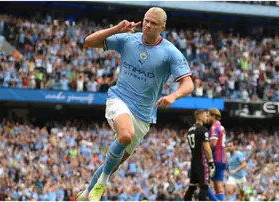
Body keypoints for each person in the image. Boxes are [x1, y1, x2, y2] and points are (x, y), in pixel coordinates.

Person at [78, 7, 194, 201]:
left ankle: (86, 194)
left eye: (153, 23)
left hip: (144, 114)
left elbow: (188, 83)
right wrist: (115, 29)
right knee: (125, 135)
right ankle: (102, 183)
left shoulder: (170, 53)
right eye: (146, 20)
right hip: (119, 98)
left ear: (162, 27)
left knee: (114, 162)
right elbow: (89, 42)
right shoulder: (128, 39)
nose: (148, 25)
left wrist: (174, 96)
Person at [184, 110, 216, 201]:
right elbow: (206, 148)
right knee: (204, 187)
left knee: (192, 187)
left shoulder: (190, 130)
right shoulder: (203, 130)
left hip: (194, 161)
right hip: (202, 161)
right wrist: (211, 162)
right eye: (206, 116)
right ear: (201, 117)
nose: (207, 118)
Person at [207, 108, 227, 201]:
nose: (207, 118)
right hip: (222, 159)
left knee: (201, 181)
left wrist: (204, 151)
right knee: (218, 187)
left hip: (215, 158)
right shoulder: (222, 127)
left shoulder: (214, 127)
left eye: (208, 115)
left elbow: (213, 144)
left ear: (213, 116)